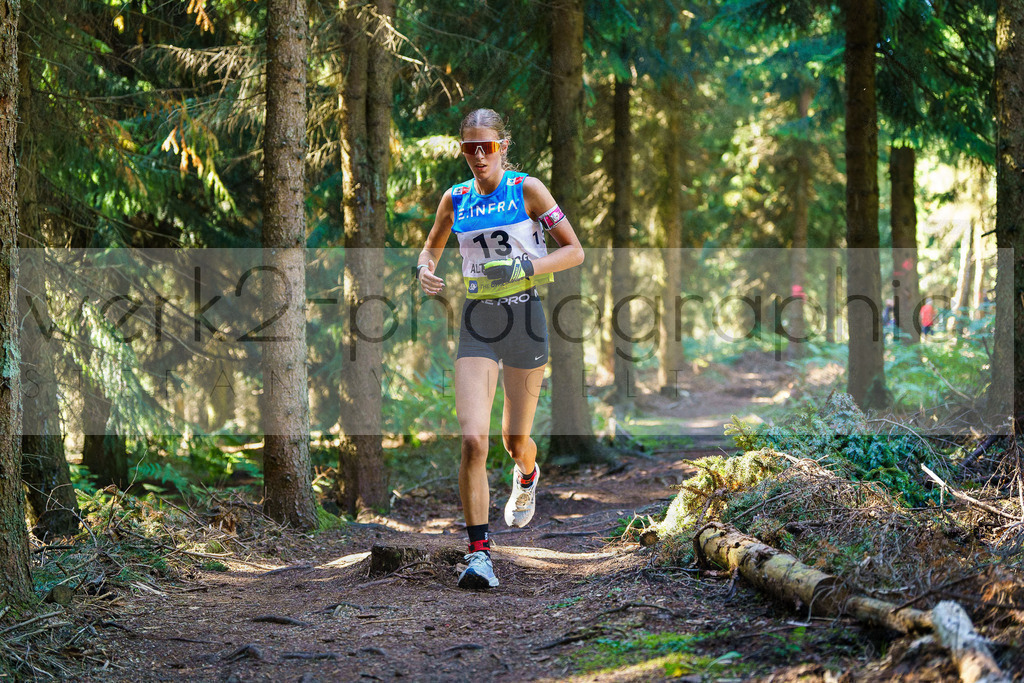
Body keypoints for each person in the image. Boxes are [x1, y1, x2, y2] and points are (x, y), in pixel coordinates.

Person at [415, 109, 584, 589]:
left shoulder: (527, 190)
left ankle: (527, 474)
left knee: (514, 441)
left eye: (486, 146)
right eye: (469, 147)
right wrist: (425, 268)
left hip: (525, 319)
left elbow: (574, 250)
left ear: (503, 146)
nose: (477, 156)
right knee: (473, 440)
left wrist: (526, 269)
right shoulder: (456, 198)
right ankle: (479, 554)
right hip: (478, 323)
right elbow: (431, 247)